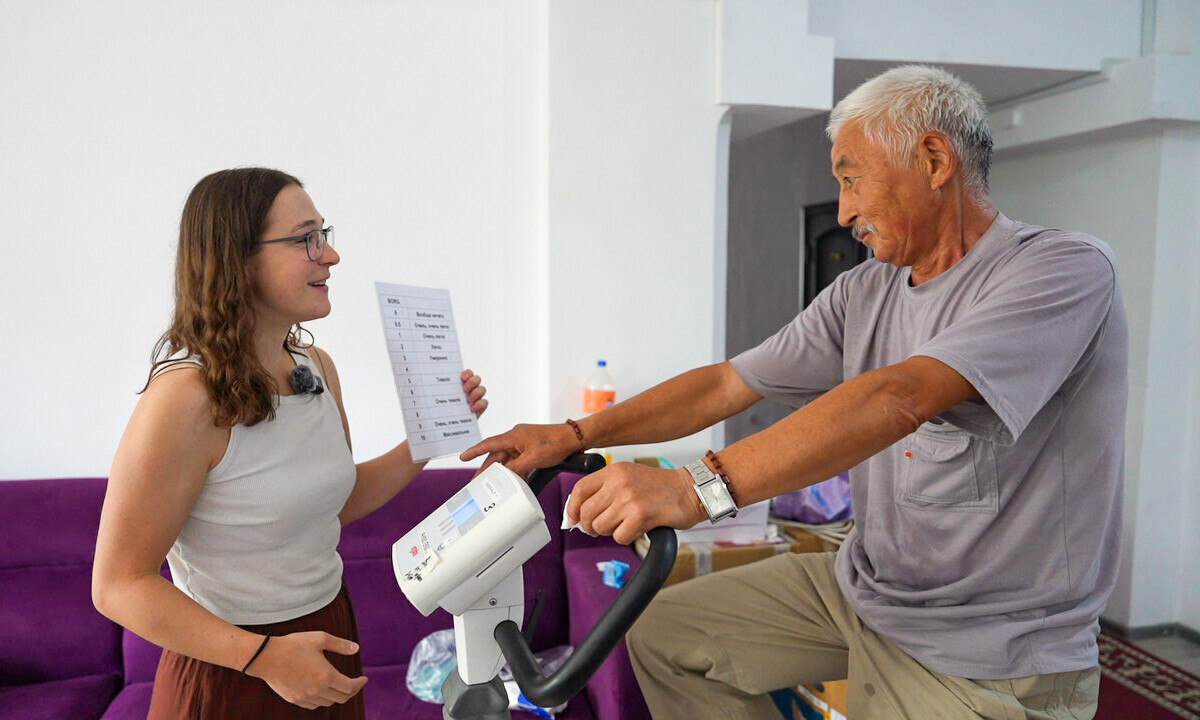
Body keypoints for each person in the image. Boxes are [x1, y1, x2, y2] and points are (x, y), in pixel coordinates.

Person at [461, 65, 1127, 719]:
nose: (844, 211)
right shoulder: (865, 290)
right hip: (868, 591)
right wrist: (572, 435)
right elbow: (728, 382)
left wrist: (695, 489)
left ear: (933, 160)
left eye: (851, 179)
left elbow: (899, 397)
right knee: (663, 635)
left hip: (987, 647)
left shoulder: (1061, 269)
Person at [92, 168, 488, 719]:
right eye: (307, 239)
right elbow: (118, 585)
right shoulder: (183, 398)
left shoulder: (316, 366)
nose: (331, 256)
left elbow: (335, 502)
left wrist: (430, 436)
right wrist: (263, 658)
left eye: (324, 235)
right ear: (237, 260)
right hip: (233, 665)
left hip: (328, 634)